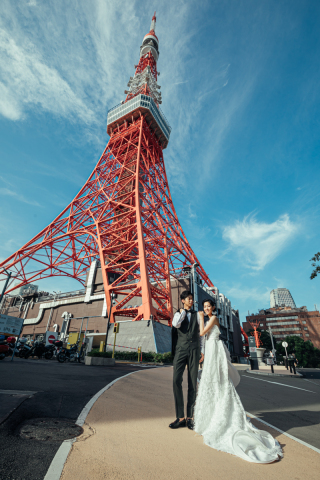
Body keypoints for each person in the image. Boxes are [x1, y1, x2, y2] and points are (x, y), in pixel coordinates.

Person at [194, 298, 283, 463]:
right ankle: (209, 418)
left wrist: (200, 318)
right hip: (211, 350)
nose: (206, 309)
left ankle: (222, 417)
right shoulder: (209, 319)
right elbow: (204, 339)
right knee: (210, 381)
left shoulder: (212, 318)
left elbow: (201, 333)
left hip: (216, 350)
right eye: (204, 307)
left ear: (213, 307)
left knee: (219, 381)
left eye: (208, 306)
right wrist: (203, 353)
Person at [169, 290, 204, 430]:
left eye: (192, 299)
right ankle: (180, 417)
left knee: (192, 383)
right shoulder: (178, 314)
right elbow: (176, 324)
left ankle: (190, 417)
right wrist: (183, 312)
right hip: (180, 350)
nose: (191, 300)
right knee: (176, 380)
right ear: (183, 300)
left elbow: (201, 335)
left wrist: (203, 351)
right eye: (188, 299)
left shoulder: (198, 315)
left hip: (195, 350)